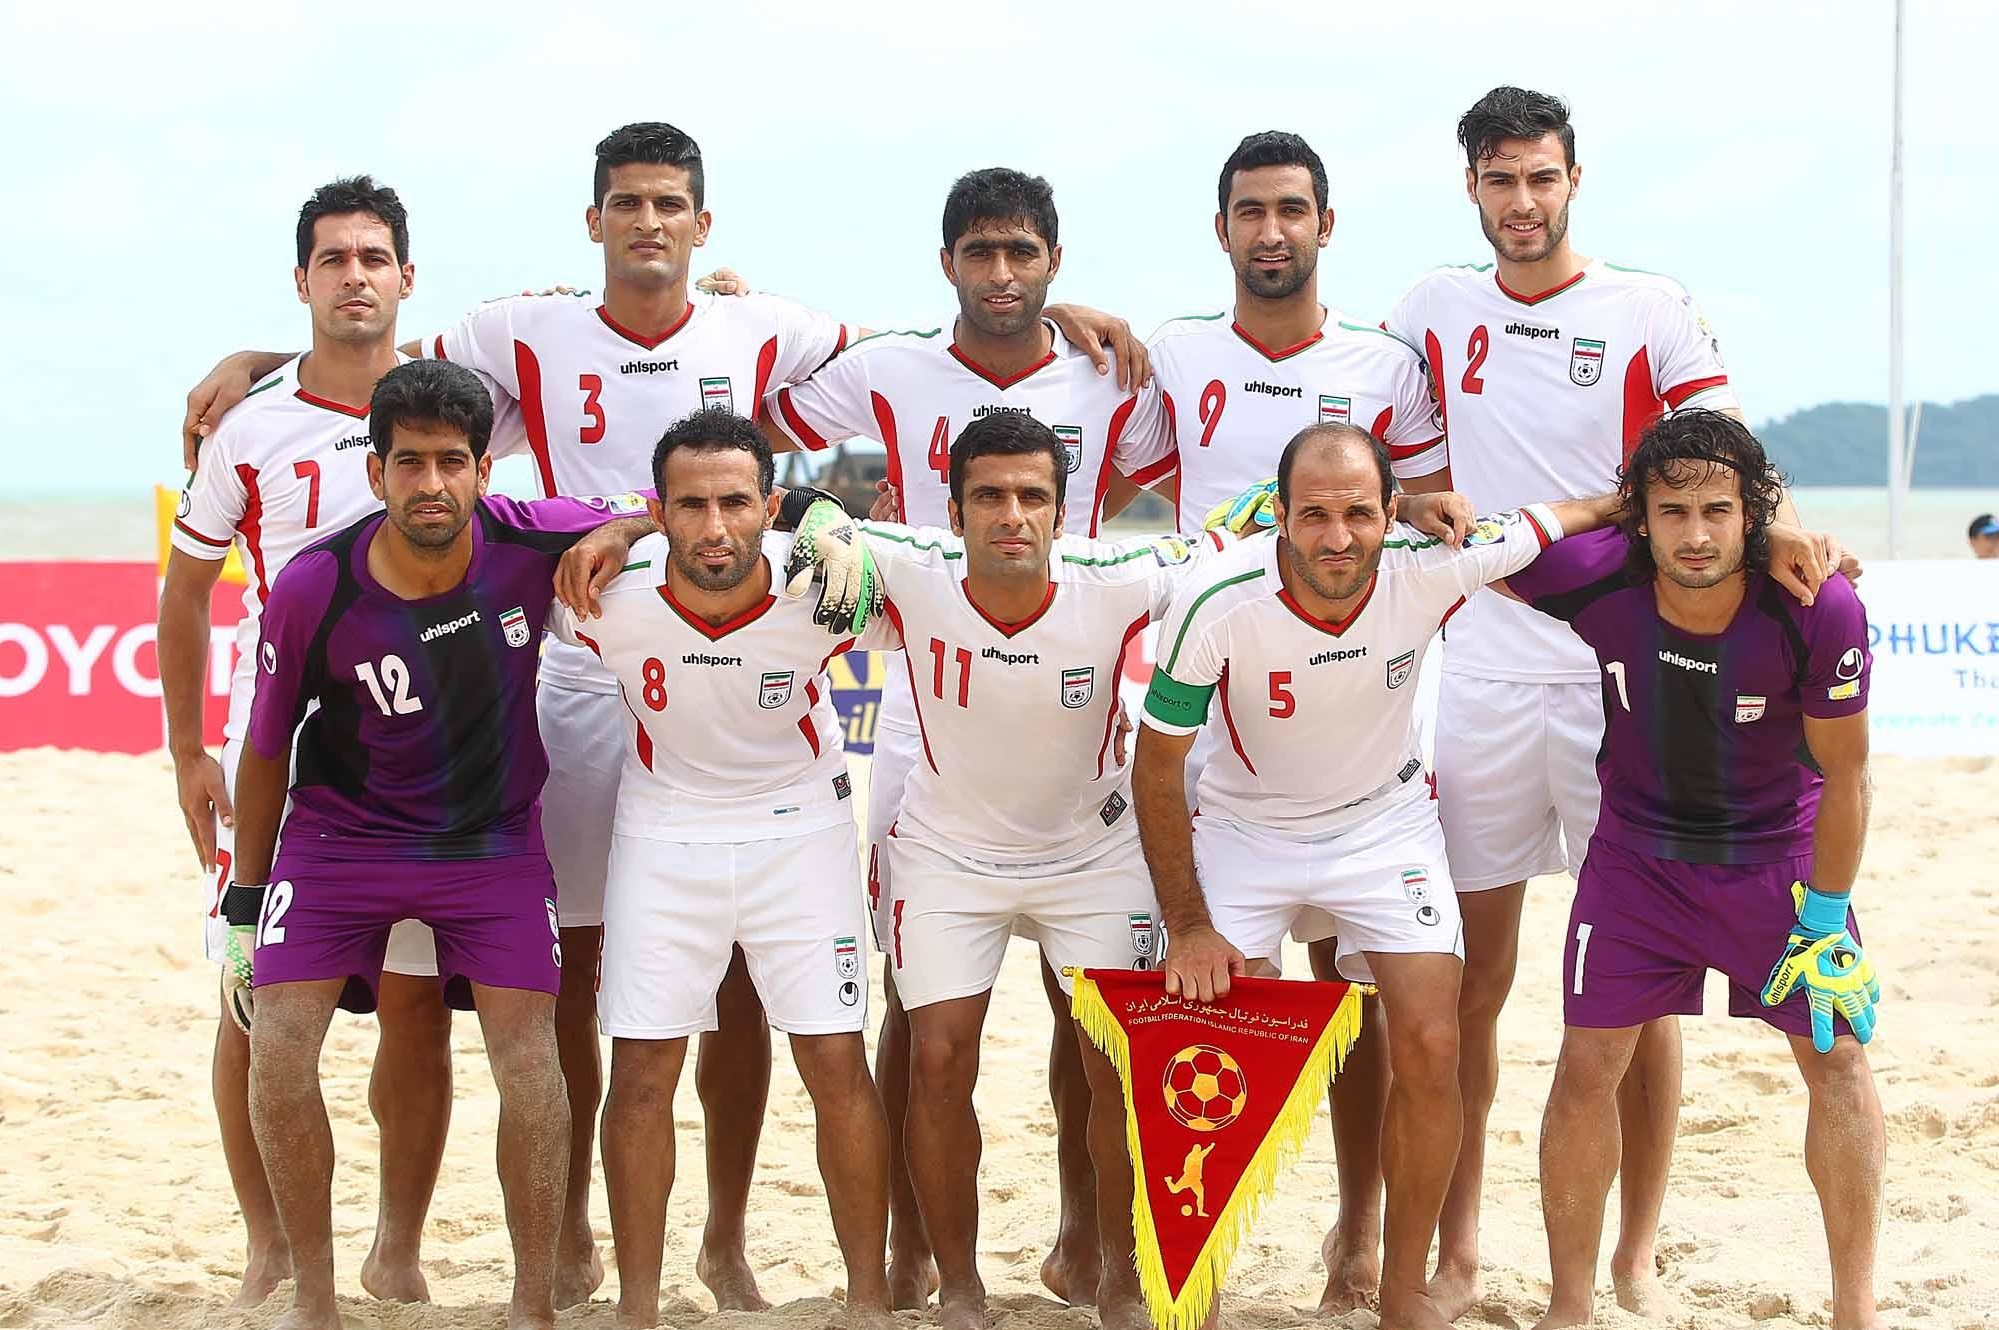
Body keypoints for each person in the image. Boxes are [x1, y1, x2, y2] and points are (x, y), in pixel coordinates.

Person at [180, 129, 1138, 1308]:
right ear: (594, 221)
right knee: (579, 974)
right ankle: (573, 1238)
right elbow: (380, 350)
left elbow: (938, 339)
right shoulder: (514, 335)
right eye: (626, 202)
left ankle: (728, 1239)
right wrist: (262, 359)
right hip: (597, 654)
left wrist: (1044, 312)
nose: (648, 220)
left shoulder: (764, 330)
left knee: (749, 994)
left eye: (670, 203)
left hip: (736, 655)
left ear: (702, 222)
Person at [1384, 86, 1768, 1317]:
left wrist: (1791, 544)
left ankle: (1633, 1252)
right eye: (1499, 180)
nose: (1521, 202)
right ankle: (1456, 1250)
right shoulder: (1431, 310)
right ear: (1471, 189)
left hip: (1623, 674)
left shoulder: (1647, 308)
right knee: (1471, 982)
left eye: (1539, 178)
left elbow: (1723, 469)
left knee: (1637, 982)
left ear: (1573, 179)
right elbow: (1397, 473)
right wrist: (1420, 510)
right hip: (1484, 671)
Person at [762, 167, 1175, 1307]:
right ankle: (920, 1254)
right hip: (926, 692)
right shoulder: (891, 368)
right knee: (925, 1013)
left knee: (1083, 1015)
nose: (1002, 274)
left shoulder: (1109, 376)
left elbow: (1188, 499)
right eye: (981, 253)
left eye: (1023, 254)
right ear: (948, 262)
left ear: (1054, 259)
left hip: (1076, 680)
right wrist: (741, 304)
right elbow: (763, 421)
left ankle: (1093, 1243)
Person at [1134, 423, 1629, 1330]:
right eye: (1313, 515)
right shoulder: (1217, 598)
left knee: (1433, 1044)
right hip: (1248, 829)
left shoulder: (1426, 564)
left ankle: (1401, 1292)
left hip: (1382, 828)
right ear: (1276, 517)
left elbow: (1550, 521)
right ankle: (1194, 1295)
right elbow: (1156, 767)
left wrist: (1635, 500)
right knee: (1208, 1040)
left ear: (1389, 511)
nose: (1336, 537)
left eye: (1358, 513)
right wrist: (1189, 923)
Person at [224, 359, 654, 1330]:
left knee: (528, 1058)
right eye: (408, 463)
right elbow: (262, 749)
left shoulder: (523, 536)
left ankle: (532, 1304)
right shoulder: (311, 585)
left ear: (482, 471)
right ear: (374, 474)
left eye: (452, 462)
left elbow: (675, 498)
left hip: (490, 844)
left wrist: (624, 528)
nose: (431, 484)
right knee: (281, 1048)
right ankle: (318, 1304)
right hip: (341, 839)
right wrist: (246, 903)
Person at [790, 411, 1232, 1330]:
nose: (1011, 516)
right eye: (988, 496)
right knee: (939, 1062)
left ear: (1064, 517)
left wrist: (1416, 517)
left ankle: (1117, 1276)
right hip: (947, 853)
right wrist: (815, 514)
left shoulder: (1121, 575)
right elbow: (770, 509)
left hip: (1092, 851)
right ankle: (960, 1288)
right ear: (950, 514)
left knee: (1113, 1068)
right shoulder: (907, 564)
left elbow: (1250, 544)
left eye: (1033, 497)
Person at [1134, 129, 1456, 1310]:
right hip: (1212, 696)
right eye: (1250, 211)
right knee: (1214, 999)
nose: (1271, 230)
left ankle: (1359, 1232)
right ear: (1220, 229)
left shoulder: (1384, 363)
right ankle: (1167, 1255)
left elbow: (1419, 501)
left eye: (1292, 210)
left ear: (1326, 226)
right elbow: (1092, 456)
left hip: (1347, 688)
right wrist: (1069, 311)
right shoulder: (1171, 350)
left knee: (1359, 988)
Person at [1499, 410, 1883, 1330]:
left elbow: (1847, 774)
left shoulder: (1817, 605)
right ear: (1642, 518)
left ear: (1753, 514)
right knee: (1586, 1064)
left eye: (1719, 509)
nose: (1697, 534)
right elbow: (1495, 541)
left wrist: (1827, 913)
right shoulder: (1599, 580)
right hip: (1636, 869)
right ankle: (1568, 1308)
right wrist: (1608, 504)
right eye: (1671, 511)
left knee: (1836, 1063)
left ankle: (1856, 1310)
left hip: (1777, 868)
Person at [156, 176, 452, 1309]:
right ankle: (271, 1243)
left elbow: (587, 335)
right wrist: (189, 750)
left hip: (426, 759)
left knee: (419, 1005)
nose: (355, 276)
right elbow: (184, 594)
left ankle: (398, 1244)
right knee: (257, 999)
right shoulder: (248, 425)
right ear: (302, 284)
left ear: (407, 279)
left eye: (374, 258)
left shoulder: (451, 403)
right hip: (279, 752)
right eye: (333, 260)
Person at [545, 408, 896, 1330]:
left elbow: (955, 567)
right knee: (644, 1068)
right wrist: (611, 530)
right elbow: (494, 551)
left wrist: (841, 520)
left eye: (736, 503)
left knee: (832, 1059)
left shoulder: (828, 587)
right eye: (689, 505)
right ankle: (638, 1310)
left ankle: (865, 1302)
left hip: (801, 830)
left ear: (770, 506)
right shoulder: (601, 602)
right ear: (656, 512)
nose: (713, 527)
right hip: (664, 833)